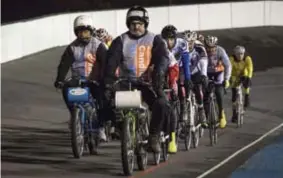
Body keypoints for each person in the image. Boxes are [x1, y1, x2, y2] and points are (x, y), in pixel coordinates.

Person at [103, 6, 177, 153]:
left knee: (161, 104)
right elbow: (112, 61)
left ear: (145, 24)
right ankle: (118, 128)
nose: (136, 27)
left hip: (148, 83)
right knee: (106, 98)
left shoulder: (155, 39)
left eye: (140, 24)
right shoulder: (121, 40)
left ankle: (154, 136)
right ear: (128, 24)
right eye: (133, 24)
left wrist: (159, 74)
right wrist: (109, 79)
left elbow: (162, 59)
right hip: (126, 83)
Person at [53, 15, 108, 141]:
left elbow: (105, 63)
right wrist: (60, 79)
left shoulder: (99, 46)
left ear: (91, 31)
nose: (83, 35)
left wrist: (104, 78)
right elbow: (64, 64)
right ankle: (74, 115)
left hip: (94, 80)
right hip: (78, 80)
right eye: (80, 32)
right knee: (66, 90)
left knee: (101, 100)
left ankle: (101, 127)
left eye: (86, 31)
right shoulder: (72, 47)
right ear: (76, 33)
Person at [204, 35, 231, 128]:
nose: (211, 50)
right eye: (208, 48)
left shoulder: (220, 51)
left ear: (216, 46)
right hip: (207, 74)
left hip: (218, 74)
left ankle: (221, 114)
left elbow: (228, 65)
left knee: (219, 93)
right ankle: (205, 116)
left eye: (213, 48)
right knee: (205, 95)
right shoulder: (202, 51)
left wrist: (227, 79)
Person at [183, 30, 209, 128]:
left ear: (194, 41)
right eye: (187, 42)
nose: (189, 45)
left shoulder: (199, 48)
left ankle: (201, 111)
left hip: (196, 71)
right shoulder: (180, 47)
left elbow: (204, 61)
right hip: (184, 72)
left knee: (198, 88)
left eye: (191, 42)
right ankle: (183, 112)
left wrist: (204, 75)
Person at [230, 45, 253, 122]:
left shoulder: (247, 58)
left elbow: (250, 69)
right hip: (234, 75)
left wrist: (248, 77)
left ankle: (247, 96)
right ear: (235, 54)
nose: (240, 56)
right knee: (234, 95)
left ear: (244, 53)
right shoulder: (231, 59)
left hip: (244, 75)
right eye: (238, 54)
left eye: (241, 54)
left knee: (247, 79)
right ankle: (234, 113)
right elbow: (229, 67)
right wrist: (228, 78)